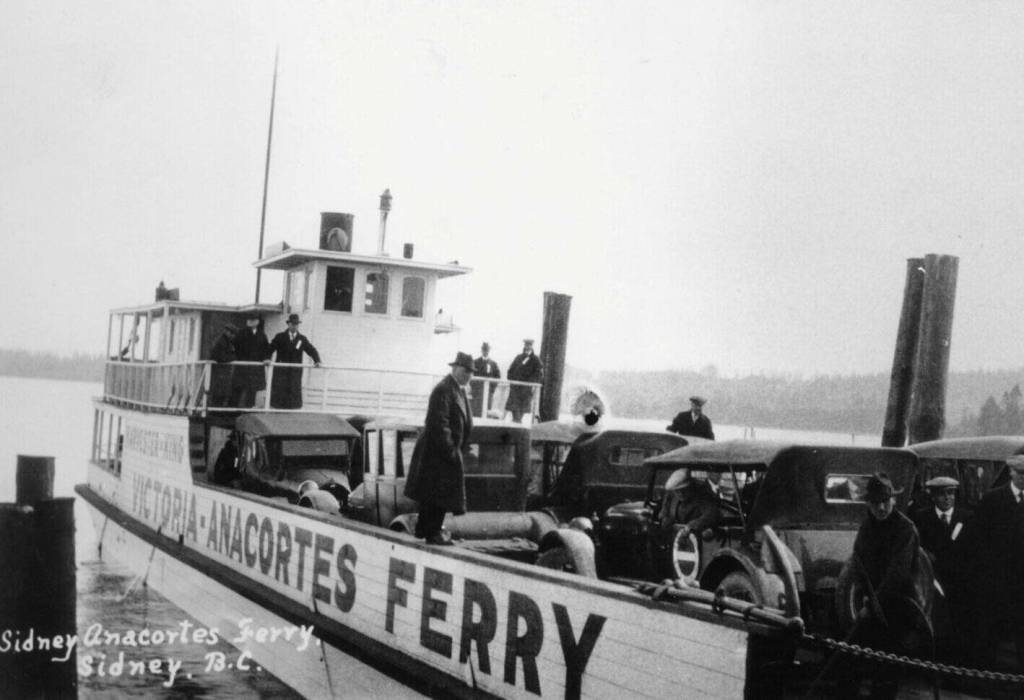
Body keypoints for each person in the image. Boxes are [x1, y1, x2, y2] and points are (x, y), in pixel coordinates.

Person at [836, 473, 923, 700]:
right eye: (875, 503)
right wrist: (864, 598)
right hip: (872, 608)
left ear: (893, 500)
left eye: (885, 501)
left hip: (898, 610)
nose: (881, 508)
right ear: (869, 504)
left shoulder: (906, 529)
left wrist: (873, 604)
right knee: (847, 662)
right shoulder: (867, 527)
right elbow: (858, 563)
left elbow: (898, 574)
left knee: (886, 673)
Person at [960, 455, 1024, 672]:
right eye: (1020, 473)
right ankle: (983, 680)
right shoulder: (993, 499)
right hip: (996, 582)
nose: (1023, 478)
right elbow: (976, 540)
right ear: (1012, 473)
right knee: (989, 635)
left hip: (1021, 585)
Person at [404, 352, 474, 545]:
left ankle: (429, 529)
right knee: (436, 494)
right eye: (465, 370)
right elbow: (438, 422)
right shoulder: (444, 389)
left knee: (438, 493)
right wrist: (451, 449)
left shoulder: (458, 390)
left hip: (445, 451)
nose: (469, 375)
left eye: (471, 372)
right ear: (454, 368)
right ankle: (431, 531)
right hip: (437, 452)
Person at [910, 476, 972, 662]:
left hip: (959, 581)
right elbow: (915, 546)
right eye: (942, 494)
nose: (947, 498)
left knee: (959, 624)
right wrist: (925, 553)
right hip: (933, 580)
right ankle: (934, 663)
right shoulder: (921, 517)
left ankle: (955, 665)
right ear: (933, 497)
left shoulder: (966, 517)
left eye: (951, 493)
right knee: (936, 622)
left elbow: (973, 548)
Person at [267, 314, 321, 409]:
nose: (294, 326)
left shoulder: (302, 339)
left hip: (294, 372)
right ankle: (277, 410)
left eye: (296, 324)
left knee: (293, 390)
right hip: (281, 370)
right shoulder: (280, 337)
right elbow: (270, 348)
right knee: (280, 392)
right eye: (292, 324)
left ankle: (292, 411)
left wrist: (317, 360)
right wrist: (267, 358)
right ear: (288, 324)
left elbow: (311, 349)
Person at [658, 467, 721, 537]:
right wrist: (664, 518)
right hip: (674, 537)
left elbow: (712, 514)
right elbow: (664, 509)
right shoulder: (671, 495)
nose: (681, 494)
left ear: (690, 486)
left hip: (697, 537)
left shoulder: (702, 494)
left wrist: (692, 526)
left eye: (684, 490)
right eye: (677, 491)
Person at [231, 313, 269, 408]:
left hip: (255, 368)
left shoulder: (261, 335)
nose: (252, 322)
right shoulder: (241, 333)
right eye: (250, 320)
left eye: (254, 320)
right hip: (243, 367)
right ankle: (231, 412)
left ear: (258, 322)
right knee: (238, 389)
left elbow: (266, 349)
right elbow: (235, 347)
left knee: (252, 390)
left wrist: (266, 358)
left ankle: (248, 410)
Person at [505, 338, 543, 423]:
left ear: (531, 346)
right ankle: (516, 425)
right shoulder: (518, 357)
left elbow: (538, 375)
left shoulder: (536, 360)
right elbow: (510, 371)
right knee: (514, 411)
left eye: (529, 345)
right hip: (515, 389)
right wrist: (513, 382)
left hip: (526, 390)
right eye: (526, 345)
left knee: (521, 412)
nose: (527, 347)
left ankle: (517, 426)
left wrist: (530, 384)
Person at [208, 323, 238, 407]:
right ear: (228, 333)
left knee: (219, 394)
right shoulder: (222, 342)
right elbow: (221, 357)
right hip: (219, 372)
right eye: (232, 334)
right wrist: (233, 357)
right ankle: (215, 412)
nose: (233, 336)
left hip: (221, 373)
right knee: (218, 395)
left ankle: (216, 411)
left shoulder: (225, 341)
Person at [470, 342, 501, 417]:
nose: (485, 352)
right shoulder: (475, 362)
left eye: (487, 350)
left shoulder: (493, 364)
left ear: (489, 351)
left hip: (488, 392)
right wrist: (474, 388)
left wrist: (492, 389)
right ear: (481, 350)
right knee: (476, 411)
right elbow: (471, 375)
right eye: (484, 350)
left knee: (487, 410)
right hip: (477, 392)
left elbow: (497, 376)